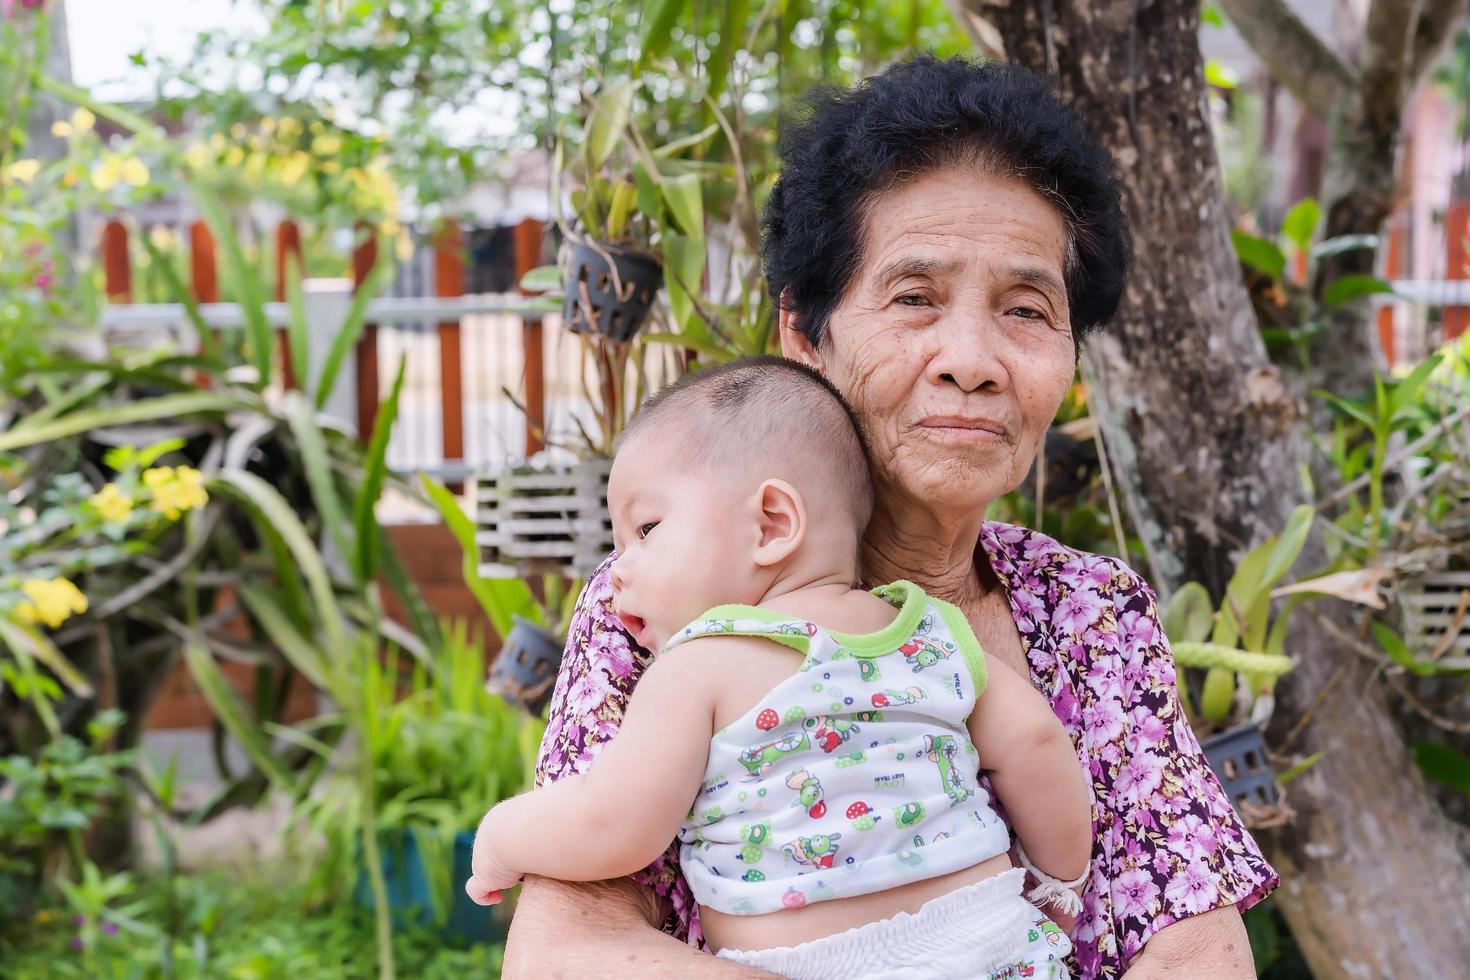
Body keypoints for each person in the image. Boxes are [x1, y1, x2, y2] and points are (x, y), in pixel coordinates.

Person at [509, 56, 1277, 980]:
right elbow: (567, 953)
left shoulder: (1093, 612)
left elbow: (1197, 941)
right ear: (806, 336)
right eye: (914, 297)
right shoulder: (665, 600)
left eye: (1027, 310)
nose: (973, 360)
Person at [468, 358, 1091, 979]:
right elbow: (1037, 743)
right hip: (996, 943)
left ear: (772, 524)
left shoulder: (698, 665)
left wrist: (501, 836)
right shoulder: (930, 633)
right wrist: (1060, 885)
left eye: (646, 529)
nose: (619, 571)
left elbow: (611, 822)